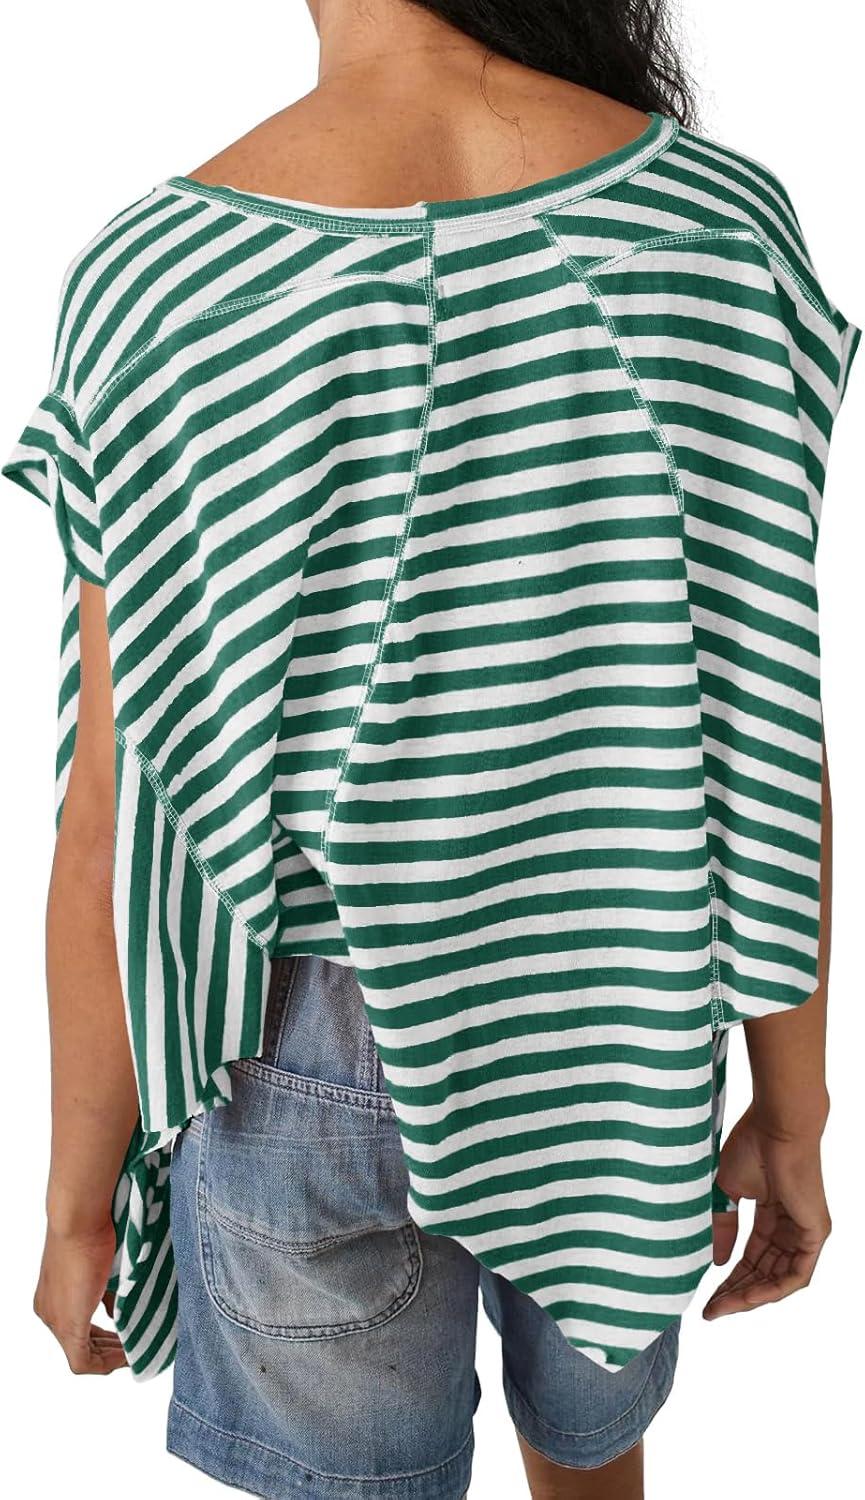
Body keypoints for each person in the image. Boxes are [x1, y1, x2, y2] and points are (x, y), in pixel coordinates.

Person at [2, 2, 859, 1498]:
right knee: (593, 1467)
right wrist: (793, 1114)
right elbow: (762, 728)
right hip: (620, 1008)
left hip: (290, 1042)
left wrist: (79, 1194)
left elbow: (115, 812)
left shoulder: (156, 278)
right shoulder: (715, 226)